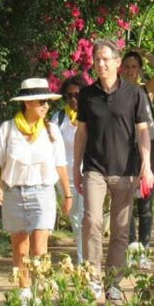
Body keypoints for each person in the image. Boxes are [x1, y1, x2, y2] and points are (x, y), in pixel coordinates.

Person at [73, 39, 154, 304]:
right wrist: (76, 167)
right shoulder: (87, 95)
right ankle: (93, 281)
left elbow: (143, 130)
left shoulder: (134, 94)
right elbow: (81, 132)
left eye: (106, 59)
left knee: (120, 230)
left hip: (126, 170)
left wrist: (147, 165)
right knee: (92, 222)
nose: (101, 64)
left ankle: (114, 284)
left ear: (117, 62)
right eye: (97, 59)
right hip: (95, 168)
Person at [0, 78, 73, 306]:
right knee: (19, 245)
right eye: (40, 101)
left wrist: (67, 194)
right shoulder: (8, 129)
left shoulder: (51, 130)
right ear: (27, 103)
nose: (45, 106)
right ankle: (24, 291)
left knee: (39, 245)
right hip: (14, 193)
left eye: (47, 101)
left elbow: (60, 164)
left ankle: (41, 291)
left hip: (43, 192)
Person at [121, 48, 154, 269]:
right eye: (127, 66)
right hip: (125, 149)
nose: (130, 71)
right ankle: (132, 250)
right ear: (121, 69)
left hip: (150, 149)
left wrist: (145, 53)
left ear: (139, 70)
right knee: (127, 201)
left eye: (134, 67)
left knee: (146, 203)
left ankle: (144, 251)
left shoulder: (145, 90)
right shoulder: (116, 92)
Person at [51, 75, 87, 263]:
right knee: (76, 222)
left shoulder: (91, 115)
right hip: (66, 177)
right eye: (69, 96)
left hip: (88, 173)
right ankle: (84, 262)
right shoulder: (58, 119)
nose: (73, 100)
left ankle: (85, 263)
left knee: (86, 220)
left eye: (77, 95)